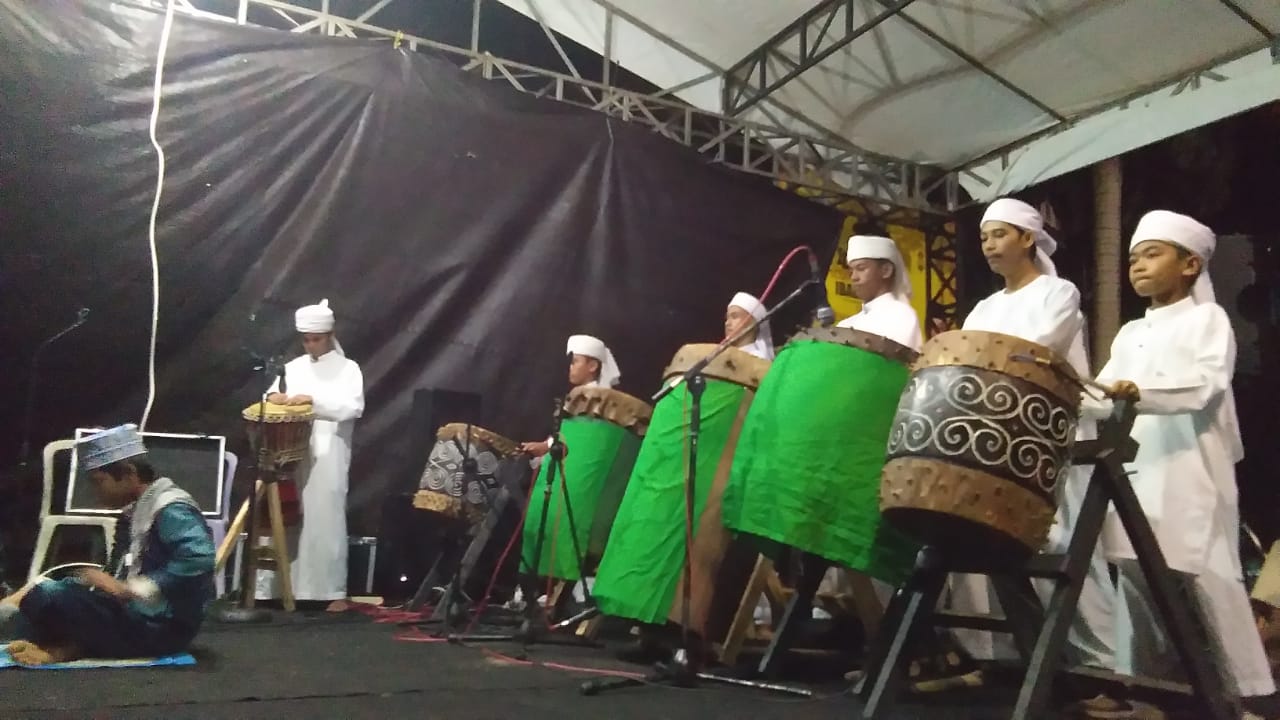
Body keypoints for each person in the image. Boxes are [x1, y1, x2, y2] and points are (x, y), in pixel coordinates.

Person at [918, 197, 1115, 691]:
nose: (989, 245)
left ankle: (1105, 670)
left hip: (1049, 434)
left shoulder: (1059, 293)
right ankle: (1012, 660)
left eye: (999, 234)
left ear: (1028, 238)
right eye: (984, 237)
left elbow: (1033, 353)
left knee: (1067, 548)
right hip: (991, 441)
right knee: (993, 546)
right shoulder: (985, 307)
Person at [1086, 210, 1275, 704]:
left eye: (1152, 254)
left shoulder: (1207, 319)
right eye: (1133, 258)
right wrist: (1061, 387)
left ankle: (1245, 695)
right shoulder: (1130, 332)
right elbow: (1103, 395)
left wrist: (1136, 392)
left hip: (1192, 464)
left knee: (1206, 577)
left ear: (1190, 264)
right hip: (1136, 465)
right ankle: (1143, 689)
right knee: (1135, 571)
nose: (1137, 265)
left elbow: (1205, 386)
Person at [1, 425, 213, 665]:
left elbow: (199, 559)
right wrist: (105, 584)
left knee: (53, 595)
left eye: (99, 482)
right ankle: (57, 642)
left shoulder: (171, 508)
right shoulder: (134, 512)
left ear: (129, 473)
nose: (96, 493)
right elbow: (119, 571)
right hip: (135, 614)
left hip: (161, 626)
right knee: (47, 590)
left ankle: (66, 647)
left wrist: (132, 589)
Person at [260, 298, 365, 612]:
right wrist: (276, 397)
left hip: (329, 450)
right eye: (306, 340)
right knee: (287, 513)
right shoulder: (293, 368)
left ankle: (330, 590)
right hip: (291, 450)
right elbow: (270, 395)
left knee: (325, 516)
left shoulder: (348, 369)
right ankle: (278, 588)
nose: (310, 345)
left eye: (316, 339)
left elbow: (352, 407)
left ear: (330, 335)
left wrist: (313, 402)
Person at [520, 334, 622, 458]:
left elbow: (579, 435)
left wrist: (546, 446)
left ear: (592, 366)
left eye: (574, 362)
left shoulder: (595, 399)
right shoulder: (580, 394)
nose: (570, 367)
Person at [837, 234, 923, 351]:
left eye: (861, 268)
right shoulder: (844, 325)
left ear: (886, 271)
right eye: (851, 271)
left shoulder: (901, 316)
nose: (853, 277)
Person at [725, 292, 775, 360]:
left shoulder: (758, 358)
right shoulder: (725, 355)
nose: (727, 323)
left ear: (753, 322)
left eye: (734, 316)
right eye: (726, 318)